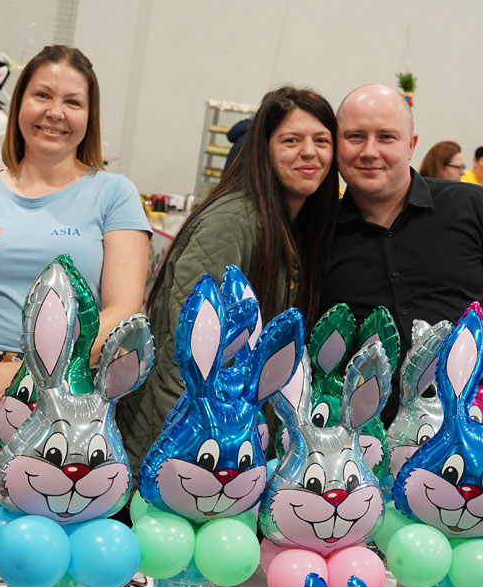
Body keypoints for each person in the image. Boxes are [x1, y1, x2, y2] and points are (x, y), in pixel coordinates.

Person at [0, 45, 151, 532]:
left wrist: (27, 379)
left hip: (68, 403)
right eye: (42, 95)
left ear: (89, 116)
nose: (55, 112)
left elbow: (122, 309)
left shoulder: (114, 194)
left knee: (51, 552)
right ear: (19, 104)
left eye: (72, 102)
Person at [118, 86, 338, 474]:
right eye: (291, 140)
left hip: (232, 447)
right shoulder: (232, 221)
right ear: (263, 149)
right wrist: (196, 448)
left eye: (321, 141)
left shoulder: (293, 225)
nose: (309, 152)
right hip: (191, 451)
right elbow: (188, 351)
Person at [323, 84, 483, 374]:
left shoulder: (475, 207)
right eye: (355, 136)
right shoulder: (319, 232)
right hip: (358, 402)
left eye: (386, 137)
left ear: (411, 145)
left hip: (471, 400)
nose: (369, 151)